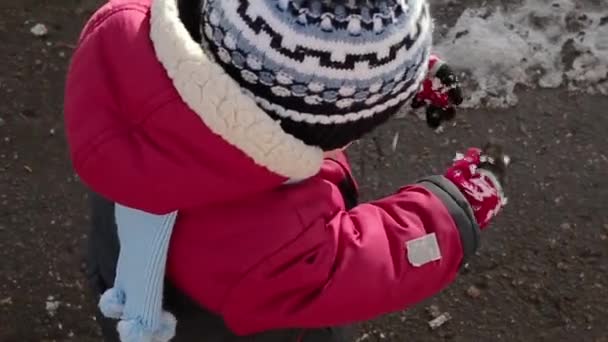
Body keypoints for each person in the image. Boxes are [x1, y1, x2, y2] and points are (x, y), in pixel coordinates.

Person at [64, 0, 509, 341]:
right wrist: (454, 208)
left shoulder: (135, 41)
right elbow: (367, 260)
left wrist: (402, 75)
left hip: (126, 261)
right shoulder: (273, 241)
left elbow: (285, 61)